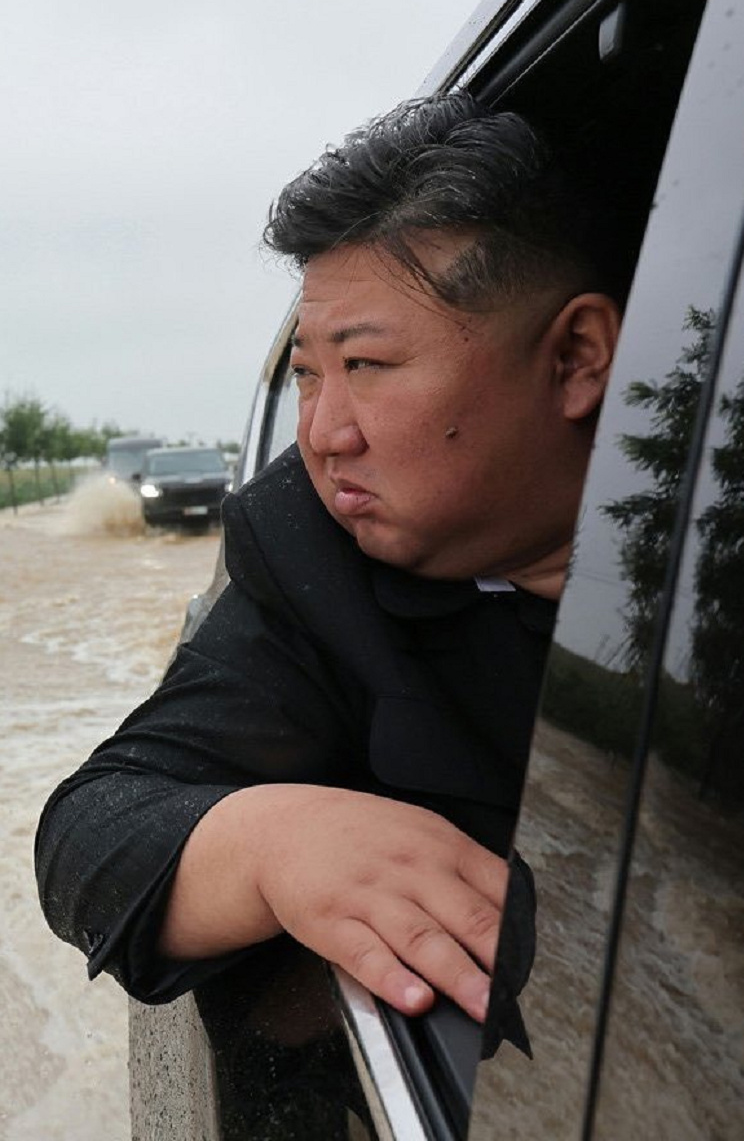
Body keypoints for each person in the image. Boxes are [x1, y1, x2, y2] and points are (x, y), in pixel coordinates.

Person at [35, 92, 622, 1028]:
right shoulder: (311, 552)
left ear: (577, 359)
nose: (321, 434)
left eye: (369, 367)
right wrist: (267, 843)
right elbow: (90, 836)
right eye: (307, 374)